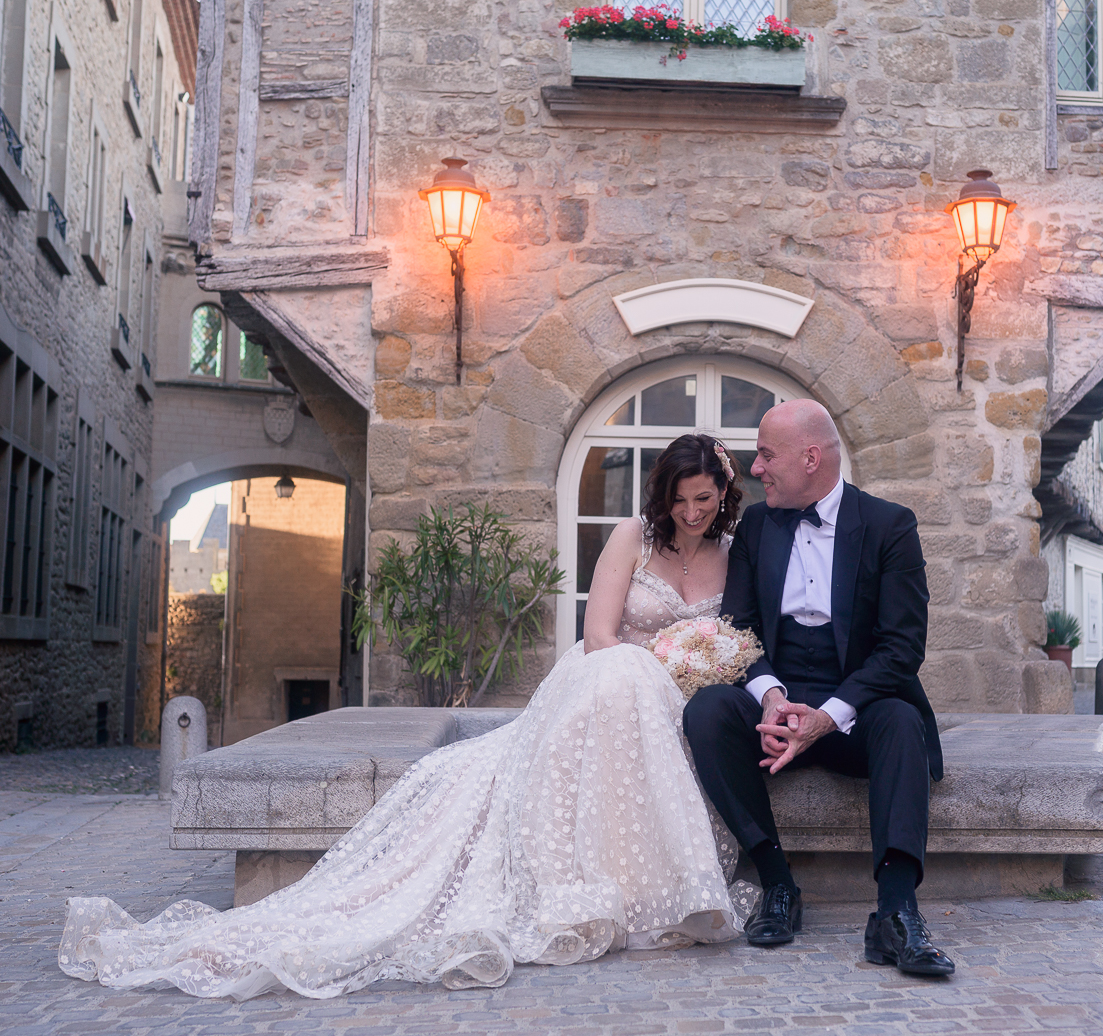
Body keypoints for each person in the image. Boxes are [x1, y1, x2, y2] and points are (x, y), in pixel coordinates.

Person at [59, 434, 752, 999]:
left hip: (678, 699)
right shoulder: (632, 538)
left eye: (703, 498)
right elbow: (600, 634)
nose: (691, 511)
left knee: (656, 699)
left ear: (722, 493)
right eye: (680, 498)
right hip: (606, 679)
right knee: (625, 672)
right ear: (662, 495)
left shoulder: (731, 553)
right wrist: (665, 664)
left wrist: (698, 670)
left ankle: (659, 890)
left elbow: (734, 639)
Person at [683, 400, 954, 977]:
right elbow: (739, 629)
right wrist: (772, 698)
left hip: (855, 706)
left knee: (902, 722)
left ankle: (896, 913)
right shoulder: (756, 526)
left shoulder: (889, 526)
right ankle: (778, 885)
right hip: (778, 701)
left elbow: (902, 649)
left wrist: (827, 716)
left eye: (766, 455)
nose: (756, 468)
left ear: (810, 458)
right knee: (707, 710)